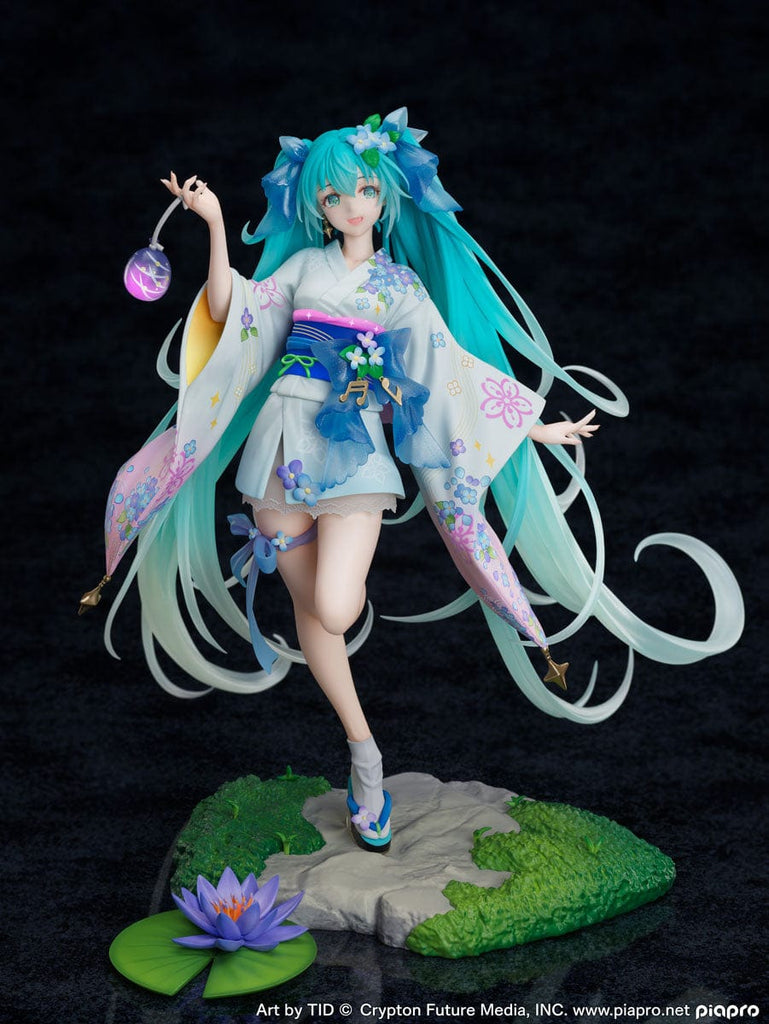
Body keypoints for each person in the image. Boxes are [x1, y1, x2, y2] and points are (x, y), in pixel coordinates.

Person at [97, 109, 743, 853]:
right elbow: (229, 312)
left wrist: (531, 426)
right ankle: (364, 753)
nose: (352, 206)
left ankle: (357, 738)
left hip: (354, 453)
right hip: (279, 447)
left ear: (384, 197)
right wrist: (213, 224)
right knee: (315, 616)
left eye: (365, 191)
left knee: (333, 608)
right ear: (318, 205)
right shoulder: (303, 269)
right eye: (335, 196)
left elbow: (447, 370)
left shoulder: (398, 287)